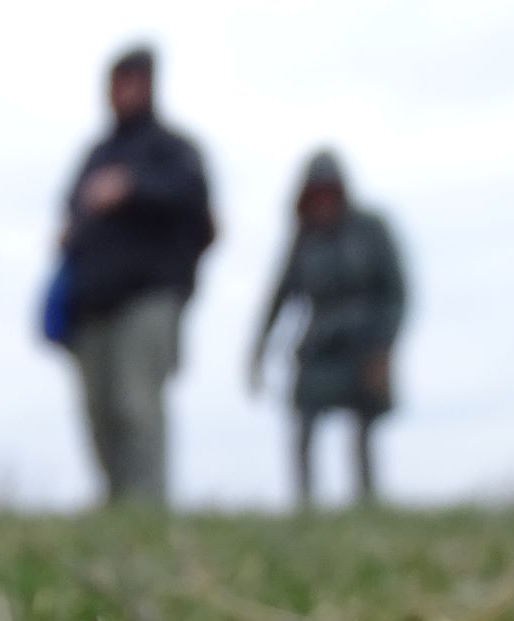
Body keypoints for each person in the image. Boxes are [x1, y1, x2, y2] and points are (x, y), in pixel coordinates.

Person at [57, 44, 214, 509]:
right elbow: (72, 213)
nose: (122, 92)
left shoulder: (174, 150)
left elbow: (196, 206)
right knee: (99, 413)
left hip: (149, 296)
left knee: (137, 405)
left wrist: (132, 189)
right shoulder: (96, 155)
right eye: (116, 82)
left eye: (132, 80)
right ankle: (118, 504)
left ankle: (148, 509)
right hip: (92, 304)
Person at [249, 150, 407, 510]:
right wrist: (258, 349)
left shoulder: (371, 230)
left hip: (366, 341)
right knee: (303, 420)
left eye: (328, 193)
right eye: (315, 194)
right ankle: (305, 506)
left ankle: (367, 504)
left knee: (364, 428)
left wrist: (383, 346)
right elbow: (280, 297)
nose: (322, 202)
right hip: (320, 343)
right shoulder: (303, 239)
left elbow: (396, 292)